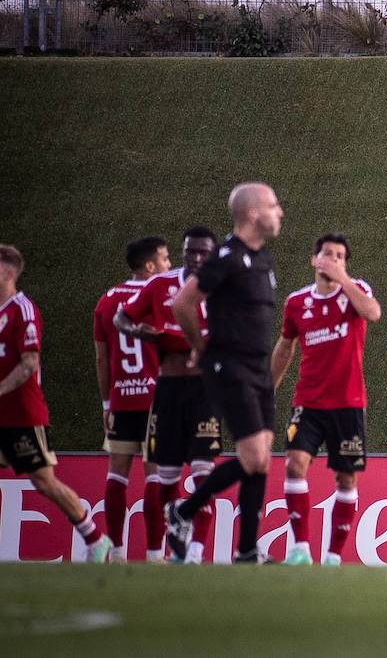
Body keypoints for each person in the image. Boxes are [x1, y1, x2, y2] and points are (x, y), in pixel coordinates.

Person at [165, 183, 284, 565]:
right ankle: (183, 511)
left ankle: (247, 549)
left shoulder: (261, 257)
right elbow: (183, 302)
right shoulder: (227, 256)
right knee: (252, 458)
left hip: (257, 366)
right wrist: (200, 347)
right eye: (273, 205)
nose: (279, 212)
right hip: (229, 366)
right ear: (253, 213)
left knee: (261, 457)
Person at [271, 232, 381, 566]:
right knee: (294, 464)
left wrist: (343, 279)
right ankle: (300, 549)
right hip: (308, 402)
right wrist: (267, 390)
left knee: (345, 478)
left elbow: (373, 313)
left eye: (339, 256)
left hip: (348, 404)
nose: (331, 260)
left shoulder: (356, 291)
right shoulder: (297, 302)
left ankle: (333, 556)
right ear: (313, 260)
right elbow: (285, 346)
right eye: (326, 254)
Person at [0, 243, 114, 562]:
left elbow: (29, 363)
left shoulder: (22, 310)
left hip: (22, 414)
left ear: (9, 272)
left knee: (44, 482)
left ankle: (95, 538)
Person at [115, 225, 221, 563]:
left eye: (204, 252)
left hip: (205, 392)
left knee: (203, 473)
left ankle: (196, 552)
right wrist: (138, 331)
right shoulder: (159, 284)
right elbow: (122, 316)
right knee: (165, 480)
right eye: (191, 251)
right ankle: (173, 539)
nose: (197, 258)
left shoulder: (223, 288)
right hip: (168, 390)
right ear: (183, 251)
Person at [92, 235, 171, 562]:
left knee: (117, 475)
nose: (170, 265)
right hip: (156, 400)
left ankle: (117, 553)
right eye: (166, 259)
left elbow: (102, 358)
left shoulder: (107, 300)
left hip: (122, 401)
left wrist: (107, 404)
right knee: (156, 476)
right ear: (149, 265)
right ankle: (155, 555)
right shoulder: (161, 296)